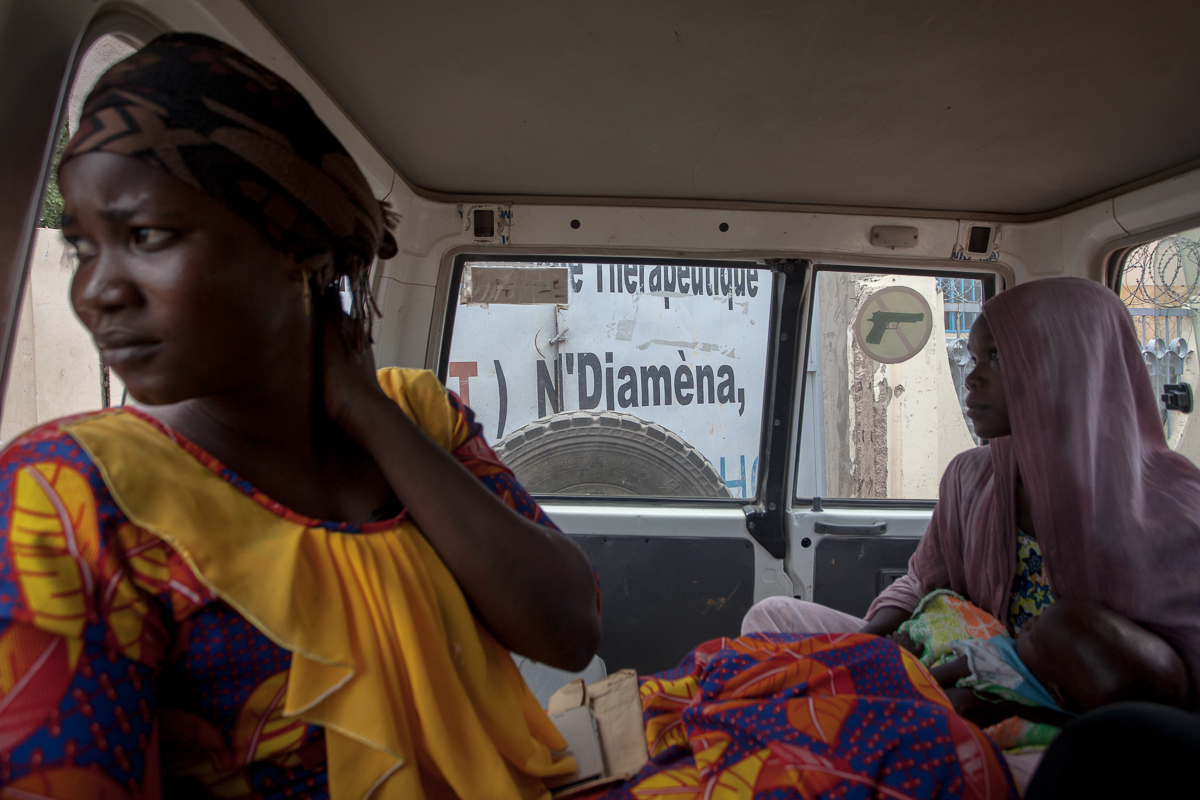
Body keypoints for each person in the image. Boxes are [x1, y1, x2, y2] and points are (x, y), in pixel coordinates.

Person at [0, 33, 600, 799]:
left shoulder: (418, 415)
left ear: (295, 244)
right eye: (83, 248)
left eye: (145, 236)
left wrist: (368, 411)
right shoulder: (72, 494)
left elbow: (569, 628)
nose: (96, 292)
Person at [743, 277, 1200, 708]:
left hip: (1060, 708)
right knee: (774, 619)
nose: (972, 377)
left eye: (996, 357)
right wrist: (867, 643)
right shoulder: (970, 477)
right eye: (974, 356)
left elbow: (1165, 683)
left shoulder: (1174, 508)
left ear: (1064, 364)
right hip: (952, 659)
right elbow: (922, 582)